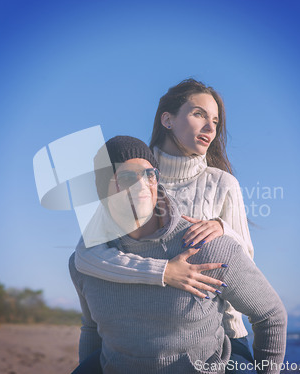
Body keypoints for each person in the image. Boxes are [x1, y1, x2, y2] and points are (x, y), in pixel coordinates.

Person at [69, 136, 287, 374]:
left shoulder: (206, 248)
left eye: (149, 174)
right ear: (103, 191)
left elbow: (270, 315)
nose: (142, 185)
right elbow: (91, 328)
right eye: (127, 177)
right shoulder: (89, 263)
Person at [75, 79, 256, 361]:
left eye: (215, 120)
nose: (211, 127)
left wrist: (224, 230)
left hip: (223, 334)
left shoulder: (223, 184)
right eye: (199, 114)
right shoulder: (133, 174)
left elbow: (246, 263)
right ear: (167, 119)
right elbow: (86, 256)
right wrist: (163, 271)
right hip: (138, 334)